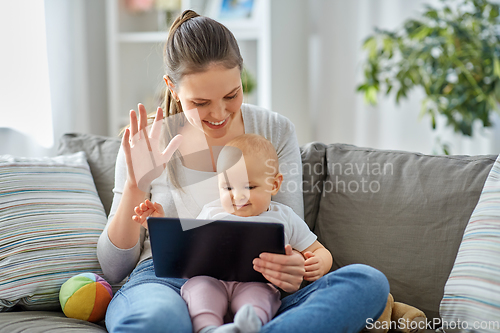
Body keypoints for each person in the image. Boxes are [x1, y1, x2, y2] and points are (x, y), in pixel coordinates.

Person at [97, 9, 390, 333]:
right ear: (173, 87)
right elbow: (113, 268)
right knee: (156, 321)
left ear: (241, 75)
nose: (219, 113)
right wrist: (137, 187)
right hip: (167, 279)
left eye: (231, 94)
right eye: (201, 102)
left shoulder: (273, 130)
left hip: (259, 284)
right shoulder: (147, 142)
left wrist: (295, 268)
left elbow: (287, 229)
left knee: (368, 282)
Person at [132, 134, 333, 333]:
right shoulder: (211, 212)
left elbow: (319, 250)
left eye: (250, 186)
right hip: (211, 280)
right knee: (200, 290)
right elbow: (185, 248)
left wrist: (319, 264)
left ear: (274, 184)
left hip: (256, 283)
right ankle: (208, 328)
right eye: (228, 187)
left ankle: (249, 326)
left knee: (258, 298)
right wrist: (158, 224)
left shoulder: (285, 216)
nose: (238, 196)